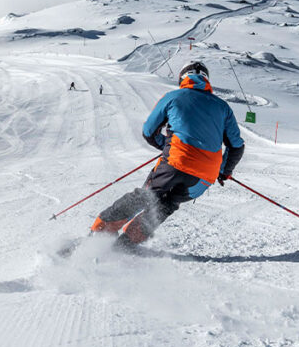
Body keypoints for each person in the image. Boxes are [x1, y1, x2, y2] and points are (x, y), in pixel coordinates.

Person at [90, 61, 245, 250]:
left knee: (148, 196)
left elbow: (149, 131)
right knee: (168, 204)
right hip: (204, 176)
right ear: (206, 80)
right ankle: (127, 244)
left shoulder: (174, 97)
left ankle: (99, 234)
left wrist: (167, 145)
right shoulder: (223, 107)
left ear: (182, 78)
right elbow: (236, 146)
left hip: (175, 162)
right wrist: (224, 171)